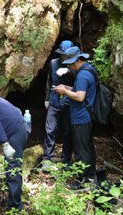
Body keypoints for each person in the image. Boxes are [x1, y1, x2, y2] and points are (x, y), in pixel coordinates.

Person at [54, 46, 97, 189]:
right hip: (86, 117)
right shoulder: (89, 69)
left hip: (80, 118)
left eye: (71, 63)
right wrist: (66, 88)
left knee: (81, 151)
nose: (70, 67)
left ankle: (82, 181)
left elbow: (79, 97)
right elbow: (80, 90)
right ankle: (91, 176)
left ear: (77, 61)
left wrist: (64, 92)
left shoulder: (82, 75)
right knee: (88, 147)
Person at [42, 40, 75, 170]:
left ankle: (66, 160)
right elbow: (49, 81)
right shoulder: (53, 63)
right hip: (54, 102)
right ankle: (47, 159)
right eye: (62, 54)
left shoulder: (74, 65)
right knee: (50, 130)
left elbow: (79, 78)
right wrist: (47, 99)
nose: (64, 57)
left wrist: (68, 71)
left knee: (68, 132)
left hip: (69, 103)